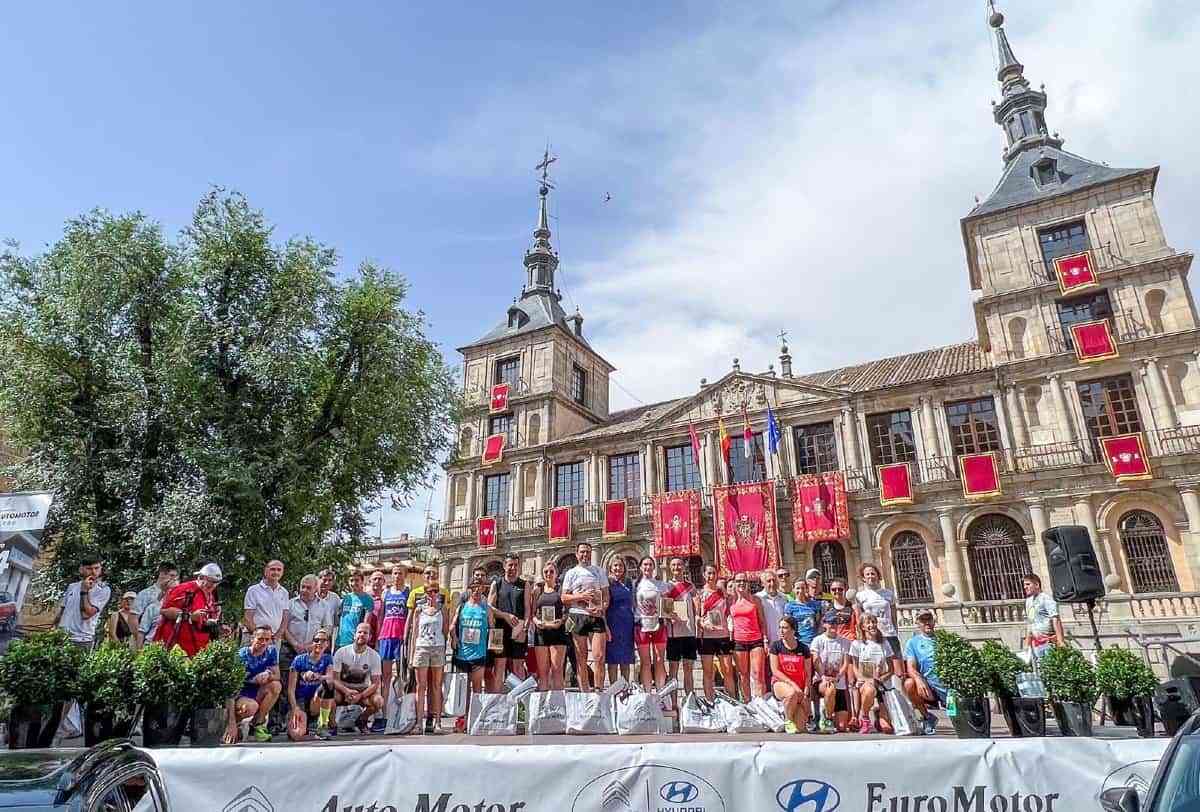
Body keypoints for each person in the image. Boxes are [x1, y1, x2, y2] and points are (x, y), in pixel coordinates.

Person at [407, 565, 450, 735]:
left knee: (437, 685)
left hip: (438, 648)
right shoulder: (419, 610)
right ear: (425, 593)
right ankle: (419, 723)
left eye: (435, 591)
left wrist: (445, 648)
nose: (433, 594)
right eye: (430, 591)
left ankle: (438, 722)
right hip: (421, 648)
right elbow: (414, 633)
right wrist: (411, 655)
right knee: (421, 686)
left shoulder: (443, 610)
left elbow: (445, 631)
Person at [561, 543, 609, 691]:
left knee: (599, 657)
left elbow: (606, 596)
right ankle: (585, 692)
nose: (585, 555)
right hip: (578, 616)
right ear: (577, 554)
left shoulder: (599, 571)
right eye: (582, 552)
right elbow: (563, 597)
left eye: (588, 552)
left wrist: (602, 607)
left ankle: (599, 691)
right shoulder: (571, 573)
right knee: (580, 658)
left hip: (596, 616)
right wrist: (580, 596)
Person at [155, 563, 223, 657]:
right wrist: (189, 616)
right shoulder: (184, 589)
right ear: (201, 577)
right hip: (176, 650)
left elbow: (202, 622)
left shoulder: (210, 596)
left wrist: (217, 626)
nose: (213, 585)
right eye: (211, 581)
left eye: (216, 582)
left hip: (197, 652)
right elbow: (164, 611)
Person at [282, 575, 323, 727]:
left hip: (313, 651)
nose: (304, 590)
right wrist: (295, 644)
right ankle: (280, 722)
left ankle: (309, 721)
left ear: (316, 589)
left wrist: (313, 645)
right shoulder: (290, 604)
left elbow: (327, 628)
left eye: (308, 587)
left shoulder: (323, 606)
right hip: (290, 648)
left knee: (310, 684)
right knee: (286, 686)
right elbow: (283, 626)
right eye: (302, 586)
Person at [230, 625, 282, 743]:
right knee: (251, 706)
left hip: (257, 693)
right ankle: (232, 724)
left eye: (267, 639)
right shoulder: (241, 656)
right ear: (252, 638)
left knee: (276, 685)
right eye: (260, 639)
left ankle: (257, 724)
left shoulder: (271, 651)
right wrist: (253, 679)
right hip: (241, 695)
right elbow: (232, 688)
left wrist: (268, 675)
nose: (264, 643)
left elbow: (277, 675)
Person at [331, 621, 384, 735]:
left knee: (378, 701)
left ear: (369, 637)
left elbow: (375, 683)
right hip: (343, 689)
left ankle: (362, 720)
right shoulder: (341, 652)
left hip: (362, 690)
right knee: (331, 695)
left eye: (365, 633)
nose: (362, 635)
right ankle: (332, 724)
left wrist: (361, 695)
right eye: (359, 632)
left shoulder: (375, 656)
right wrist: (346, 691)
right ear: (354, 634)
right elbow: (334, 679)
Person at [488, 554, 531, 692]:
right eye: (510, 565)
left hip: (518, 629)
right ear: (504, 566)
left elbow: (527, 609)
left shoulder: (524, 584)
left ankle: (519, 702)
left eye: (515, 565)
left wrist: (524, 629)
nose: (513, 568)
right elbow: (490, 607)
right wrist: (505, 616)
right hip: (499, 631)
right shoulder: (497, 583)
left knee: (518, 666)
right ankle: (497, 701)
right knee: (499, 666)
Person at [376, 565, 411, 731]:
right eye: (395, 573)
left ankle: (401, 711)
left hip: (401, 635)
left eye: (400, 573)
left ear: (405, 575)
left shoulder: (408, 592)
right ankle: (383, 714)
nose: (397, 576)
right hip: (386, 635)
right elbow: (382, 615)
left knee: (403, 675)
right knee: (386, 676)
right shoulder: (386, 593)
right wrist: (378, 635)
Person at [451, 576, 496, 701]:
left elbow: (493, 629)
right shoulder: (462, 607)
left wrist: (494, 647)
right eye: (474, 587)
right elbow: (452, 625)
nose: (476, 590)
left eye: (479, 587)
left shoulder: (486, 608)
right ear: (469, 589)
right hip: (462, 654)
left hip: (479, 654)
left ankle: (473, 718)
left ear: (482, 589)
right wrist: (454, 637)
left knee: (477, 690)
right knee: (463, 690)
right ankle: (462, 718)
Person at [633, 556, 673, 692]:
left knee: (659, 660)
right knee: (645, 662)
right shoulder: (635, 585)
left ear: (654, 567)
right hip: (641, 626)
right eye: (645, 564)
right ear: (640, 567)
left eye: (650, 564)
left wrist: (670, 614)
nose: (647, 567)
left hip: (659, 625)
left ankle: (661, 693)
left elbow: (668, 605)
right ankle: (647, 693)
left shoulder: (662, 585)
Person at [904, 610, 947, 735]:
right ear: (918, 623)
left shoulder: (944, 638)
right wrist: (918, 679)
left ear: (934, 621)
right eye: (923, 620)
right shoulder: (913, 642)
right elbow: (910, 667)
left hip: (946, 684)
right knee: (909, 684)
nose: (927, 623)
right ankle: (927, 717)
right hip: (928, 686)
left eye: (929, 619)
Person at [286, 629, 334, 741]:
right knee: (296, 735)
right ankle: (305, 725)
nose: (319, 643)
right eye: (316, 640)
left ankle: (322, 725)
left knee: (329, 684)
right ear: (312, 642)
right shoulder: (299, 659)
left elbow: (330, 677)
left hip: (316, 700)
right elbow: (290, 690)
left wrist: (317, 676)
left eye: (323, 640)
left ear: (327, 644)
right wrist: (295, 708)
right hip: (300, 701)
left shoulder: (327, 659)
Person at [850, 612, 894, 734]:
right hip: (865, 679)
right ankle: (864, 718)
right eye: (868, 623)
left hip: (882, 682)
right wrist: (861, 678)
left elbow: (891, 669)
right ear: (862, 627)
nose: (872, 625)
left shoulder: (884, 643)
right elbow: (854, 665)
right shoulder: (857, 644)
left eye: (873, 622)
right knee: (869, 689)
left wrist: (881, 678)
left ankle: (878, 715)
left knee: (887, 729)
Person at [855, 562, 902, 675]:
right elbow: (860, 619)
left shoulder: (888, 593)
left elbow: (894, 615)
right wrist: (861, 636)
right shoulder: (860, 596)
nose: (871, 576)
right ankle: (871, 691)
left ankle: (898, 691)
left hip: (889, 634)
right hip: (871, 636)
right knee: (870, 672)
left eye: (873, 573)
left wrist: (895, 630)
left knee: (898, 672)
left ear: (878, 575)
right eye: (867, 574)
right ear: (863, 578)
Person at [58, 556, 112, 652]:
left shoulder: (103, 590)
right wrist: (53, 628)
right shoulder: (72, 586)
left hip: (81, 640)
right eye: (89, 568)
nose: (93, 572)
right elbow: (62, 611)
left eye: (96, 568)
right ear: (81, 569)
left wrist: (84, 590)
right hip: (61, 636)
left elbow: (86, 614)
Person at [811, 610, 852, 733]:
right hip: (822, 681)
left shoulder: (844, 642)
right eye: (830, 622)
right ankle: (828, 718)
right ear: (824, 624)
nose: (833, 625)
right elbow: (815, 660)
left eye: (836, 622)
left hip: (838, 682)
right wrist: (823, 675)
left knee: (842, 727)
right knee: (830, 688)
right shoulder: (818, 640)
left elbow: (846, 663)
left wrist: (838, 676)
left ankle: (828, 710)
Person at [697, 564, 733, 701]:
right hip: (706, 637)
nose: (711, 576)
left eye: (713, 573)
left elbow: (729, 611)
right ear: (704, 575)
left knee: (727, 670)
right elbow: (696, 615)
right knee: (708, 671)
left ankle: (730, 700)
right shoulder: (700, 594)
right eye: (708, 573)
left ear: (717, 575)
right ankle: (709, 701)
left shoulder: (723, 593)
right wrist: (702, 624)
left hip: (723, 635)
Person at [729, 573, 769, 700]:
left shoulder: (755, 600)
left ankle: (760, 704)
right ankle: (747, 702)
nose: (741, 583)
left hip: (756, 640)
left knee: (758, 674)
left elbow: (762, 621)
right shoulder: (731, 601)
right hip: (739, 642)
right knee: (743, 675)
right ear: (734, 583)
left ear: (748, 583)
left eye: (744, 581)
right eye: (738, 581)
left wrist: (765, 640)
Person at [769, 616, 811, 734]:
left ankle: (791, 715)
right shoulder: (776, 646)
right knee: (791, 693)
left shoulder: (803, 648)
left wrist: (806, 691)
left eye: (785, 628)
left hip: (800, 688)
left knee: (800, 729)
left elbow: (808, 673)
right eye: (780, 627)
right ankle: (788, 720)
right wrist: (792, 684)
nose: (781, 631)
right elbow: (775, 670)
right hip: (781, 684)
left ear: (793, 630)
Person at [665, 557, 699, 698]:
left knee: (688, 669)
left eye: (679, 564)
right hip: (673, 634)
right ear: (669, 567)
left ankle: (690, 700)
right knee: (673, 670)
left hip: (689, 632)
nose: (676, 567)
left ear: (684, 567)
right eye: (673, 565)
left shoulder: (690, 587)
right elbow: (665, 609)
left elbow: (697, 607)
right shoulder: (666, 586)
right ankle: (673, 703)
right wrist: (670, 616)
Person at [532, 562, 568, 690]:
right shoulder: (538, 590)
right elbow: (532, 613)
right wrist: (536, 622)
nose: (548, 574)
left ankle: (558, 706)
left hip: (558, 632)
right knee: (543, 673)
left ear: (556, 574)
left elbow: (566, 612)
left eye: (551, 571)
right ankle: (543, 707)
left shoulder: (561, 590)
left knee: (557, 671)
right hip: (541, 632)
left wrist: (561, 621)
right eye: (546, 571)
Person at [605, 558, 636, 685]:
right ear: (611, 568)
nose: (618, 568)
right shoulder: (607, 583)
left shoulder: (629, 583)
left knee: (625, 660)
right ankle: (613, 690)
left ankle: (625, 689)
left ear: (624, 568)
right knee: (612, 660)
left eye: (620, 565)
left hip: (627, 625)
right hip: (613, 623)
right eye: (615, 565)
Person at [243, 560, 288, 643]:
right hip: (254, 638)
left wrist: (277, 636)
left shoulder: (284, 592)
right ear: (266, 571)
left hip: (274, 640)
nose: (276, 572)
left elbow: (285, 619)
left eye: (279, 570)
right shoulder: (253, 590)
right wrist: (260, 636)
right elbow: (248, 618)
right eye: (273, 569)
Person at [133, 562, 178, 643]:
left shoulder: (177, 594)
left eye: (175, 577)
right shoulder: (145, 593)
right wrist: (139, 640)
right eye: (171, 576)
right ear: (161, 574)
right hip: (145, 639)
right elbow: (133, 618)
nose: (174, 579)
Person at [1023, 573, 1064, 657]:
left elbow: (1056, 619)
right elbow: (1030, 623)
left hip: (1048, 643)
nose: (1025, 587)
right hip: (1035, 644)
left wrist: (1060, 641)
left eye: (1028, 584)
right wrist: (1026, 644)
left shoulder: (1046, 599)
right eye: (1024, 585)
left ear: (1037, 585)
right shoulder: (1028, 601)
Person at [336, 571, 376, 649]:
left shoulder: (368, 599)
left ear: (362, 581)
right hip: (340, 640)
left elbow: (366, 623)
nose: (354, 583)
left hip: (355, 641)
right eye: (351, 580)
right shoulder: (346, 597)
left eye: (357, 580)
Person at [784, 579, 824, 645]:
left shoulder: (815, 605)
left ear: (807, 589)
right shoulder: (789, 606)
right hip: (798, 642)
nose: (800, 591)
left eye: (803, 588)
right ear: (793, 589)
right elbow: (788, 625)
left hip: (814, 642)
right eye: (798, 588)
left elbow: (819, 622)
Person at [757, 570, 790, 647]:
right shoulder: (758, 598)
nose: (772, 583)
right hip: (765, 642)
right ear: (762, 583)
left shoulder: (784, 598)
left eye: (774, 580)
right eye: (768, 581)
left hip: (783, 641)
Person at [315, 569, 342, 634]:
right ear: (318, 580)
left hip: (327, 637)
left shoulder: (335, 598)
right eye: (324, 580)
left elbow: (337, 620)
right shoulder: (311, 596)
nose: (327, 583)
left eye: (330, 580)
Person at [367, 569, 387, 649]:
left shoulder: (386, 599)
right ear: (370, 581)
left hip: (380, 638)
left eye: (380, 579)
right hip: (365, 637)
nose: (377, 581)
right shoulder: (365, 597)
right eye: (375, 579)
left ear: (384, 582)